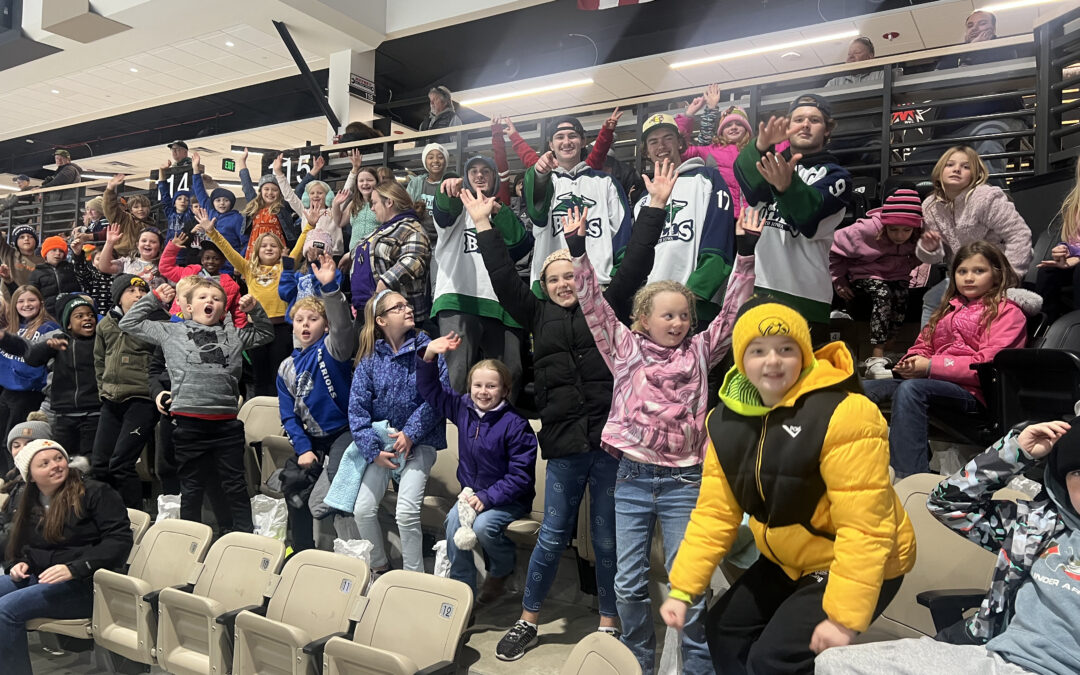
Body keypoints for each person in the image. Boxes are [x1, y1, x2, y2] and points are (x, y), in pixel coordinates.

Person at [473, 161, 673, 662]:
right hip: (564, 446)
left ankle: (608, 624)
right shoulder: (534, 312)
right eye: (555, 278)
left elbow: (638, 264)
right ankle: (528, 620)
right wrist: (482, 225)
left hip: (610, 445)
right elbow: (501, 276)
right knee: (553, 535)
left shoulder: (605, 306)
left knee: (606, 539)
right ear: (544, 285)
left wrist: (655, 207)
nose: (564, 283)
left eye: (570, 275)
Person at [660, 297, 916, 675]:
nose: (773, 361)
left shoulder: (846, 412)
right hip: (789, 557)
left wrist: (843, 618)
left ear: (805, 355)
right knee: (723, 630)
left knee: (774, 660)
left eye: (786, 349)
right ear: (741, 360)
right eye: (758, 351)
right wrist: (683, 589)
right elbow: (714, 515)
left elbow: (865, 528)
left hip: (857, 559)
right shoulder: (724, 422)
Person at [572, 204, 761, 674]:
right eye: (667, 316)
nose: (677, 323)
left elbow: (734, 308)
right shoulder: (625, 347)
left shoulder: (700, 350)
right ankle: (640, 660)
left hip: (684, 483)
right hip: (633, 478)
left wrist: (745, 254)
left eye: (683, 316)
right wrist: (578, 251)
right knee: (627, 582)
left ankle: (697, 668)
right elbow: (593, 304)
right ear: (643, 320)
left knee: (688, 582)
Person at [815, 419, 1080, 675]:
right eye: (1077, 472)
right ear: (1061, 481)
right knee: (834, 664)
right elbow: (948, 503)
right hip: (993, 657)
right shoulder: (1036, 526)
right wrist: (1015, 451)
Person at [119, 277, 273, 532]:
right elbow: (129, 322)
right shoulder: (171, 330)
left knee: (235, 485)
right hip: (189, 425)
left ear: (224, 308)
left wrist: (255, 308)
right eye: (202, 297)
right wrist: (155, 298)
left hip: (226, 426)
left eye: (216, 299)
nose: (209, 301)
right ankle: (190, 540)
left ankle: (244, 537)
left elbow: (265, 333)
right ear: (188, 307)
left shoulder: (233, 334)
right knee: (192, 487)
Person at [863, 241, 1030, 478]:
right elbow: (923, 345)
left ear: (997, 273)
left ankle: (908, 478)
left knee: (912, 391)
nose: (968, 278)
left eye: (978, 271)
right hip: (933, 383)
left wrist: (931, 366)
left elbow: (989, 364)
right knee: (858, 388)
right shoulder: (947, 310)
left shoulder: (1007, 312)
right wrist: (911, 362)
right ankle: (857, 465)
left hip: (975, 394)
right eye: (962, 272)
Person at [417, 336, 537, 603]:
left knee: (483, 526)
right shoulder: (463, 408)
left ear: (505, 390)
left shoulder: (516, 425)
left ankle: (502, 569)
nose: (483, 392)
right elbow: (430, 390)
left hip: (508, 499)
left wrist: (487, 497)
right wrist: (428, 357)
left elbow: (520, 476)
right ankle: (463, 593)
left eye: (491, 386)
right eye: (478, 385)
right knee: (452, 526)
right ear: (469, 387)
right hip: (471, 494)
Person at [0, 438, 131, 675]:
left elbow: (119, 540)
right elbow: (22, 544)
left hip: (88, 584)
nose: (56, 465)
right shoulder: (27, 499)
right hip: (42, 577)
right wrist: (17, 563)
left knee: (5, 610)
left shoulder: (95, 492)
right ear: (30, 475)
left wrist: (76, 567)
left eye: (59, 458)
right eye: (45, 463)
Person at [734, 93, 852, 340]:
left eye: (814, 120)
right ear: (788, 126)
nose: (805, 124)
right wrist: (759, 147)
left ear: (827, 130)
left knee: (803, 376)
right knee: (748, 374)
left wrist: (786, 187)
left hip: (804, 294)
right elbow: (752, 188)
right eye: (798, 119)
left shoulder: (837, 176)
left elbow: (808, 219)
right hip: (756, 287)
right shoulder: (773, 160)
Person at [348, 290, 448, 574]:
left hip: (421, 442)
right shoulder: (368, 359)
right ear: (381, 320)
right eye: (398, 307)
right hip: (383, 447)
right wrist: (373, 450)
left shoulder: (427, 348)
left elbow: (438, 395)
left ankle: (413, 576)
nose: (407, 309)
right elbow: (357, 411)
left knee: (406, 513)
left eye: (407, 304)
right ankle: (379, 566)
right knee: (363, 510)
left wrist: (411, 433)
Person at [433, 159, 532, 398]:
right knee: (455, 374)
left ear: (495, 178)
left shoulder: (502, 211)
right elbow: (444, 209)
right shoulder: (457, 208)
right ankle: (451, 431)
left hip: (501, 304)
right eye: (473, 171)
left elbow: (520, 245)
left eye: (485, 171)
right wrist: (446, 187)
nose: (479, 176)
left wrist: (497, 211)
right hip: (459, 299)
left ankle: (502, 431)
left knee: (510, 373)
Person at [277, 255, 355, 553]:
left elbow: (343, 326)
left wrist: (330, 288)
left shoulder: (333, 349)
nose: (306, 324)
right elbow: (288, 415)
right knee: (294, 484)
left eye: (313, 319)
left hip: (342, 432)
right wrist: (304, 448)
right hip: (312, 438)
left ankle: (352, 553)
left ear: (324, 326)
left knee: (338, 487)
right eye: (300, 320)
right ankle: (300, 551)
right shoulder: (285, 367)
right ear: (293, 326)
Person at [636, 114, 737, 324]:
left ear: (680, 143)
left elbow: (719, 242)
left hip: (698, 305)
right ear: (646, 151)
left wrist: (696, 292)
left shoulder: (707, 179)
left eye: (668, 138)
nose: (661, 146)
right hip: (654, 307)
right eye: (653, 141)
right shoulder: (643, 198)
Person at [915, 146, 1032, 324]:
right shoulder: (930, 206)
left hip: (996, 271)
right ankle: (924, 349)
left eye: (965, 167)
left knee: (980, 307)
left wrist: (1008, 278)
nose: (956, 169)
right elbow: (935, 257)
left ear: (976, 175)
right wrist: (928, 248)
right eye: (950, 165)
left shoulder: (986, 198)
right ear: (939, 172)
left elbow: (1019, 235)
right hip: (964, 275)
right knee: (933, 299)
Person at [199, 205, 303, 397]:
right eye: (264, 246)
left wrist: (309, 226)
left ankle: (279, 413)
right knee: (259, 376)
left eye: (273, 245)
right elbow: (228, 251)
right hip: (256, 329)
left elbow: (299, 248)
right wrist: (212, 232)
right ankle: (258, 412)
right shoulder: (248, 268)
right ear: (256, 251)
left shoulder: (286, 266)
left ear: (281, 251)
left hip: (282, 329)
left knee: (279, 374)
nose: (269, 248)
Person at [523, 116, 632, 294]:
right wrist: (539, 174)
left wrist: (616, 275)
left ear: (583, 141)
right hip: (552, 288)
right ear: (551, 144)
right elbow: (537, 216)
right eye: (559, 137)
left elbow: (622, 235)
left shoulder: (606, 182)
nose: (566, 141)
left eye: (572, 136)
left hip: (598, 284)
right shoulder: (543, 181)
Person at [830, 189, 925, 378]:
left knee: (902, 296)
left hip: (897, 276)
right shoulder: (863, 230)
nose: (900, 235)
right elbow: (833, 249)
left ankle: (890, 343)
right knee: (883, 295)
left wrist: (907, 264)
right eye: (893, 229)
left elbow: (919, 257)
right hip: (864, 274)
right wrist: (839, 280)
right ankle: (876, 356)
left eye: (906, 230)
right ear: (885, 225)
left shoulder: (919, 234)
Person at [93, 275, 168, 508]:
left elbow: (163, 364)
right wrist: (102, 391)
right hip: (111, 400)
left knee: (121, 463)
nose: (137, 295)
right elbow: (99, 361)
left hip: (142, 400)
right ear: (118, 296)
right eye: (131, 291)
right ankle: (105, 514)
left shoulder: (157, 321)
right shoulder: (105, 324)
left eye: (142, 291)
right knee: (98, 465)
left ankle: (134, 517)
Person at [0, 294, 99, 458]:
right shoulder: (55, 338)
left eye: (90, 315)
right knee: (58, 454)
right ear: (68, 323)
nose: (86, 319)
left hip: (95, 412)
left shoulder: (102, 340)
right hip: (62, 412)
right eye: (79, 316)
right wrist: (46, 347)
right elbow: (30, 354)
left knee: (89, 459)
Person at [932, 10, 1026, 180]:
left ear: (993, 28)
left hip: (999, 119)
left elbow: (1000, 77)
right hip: (954, 128)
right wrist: (970, 50)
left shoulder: (1004, 47)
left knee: (988, 136)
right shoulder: (953, 54)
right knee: (921, 155)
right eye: (970, 25)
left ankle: (991, 201)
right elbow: (937, 81)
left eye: (982, 23)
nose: (975, 28)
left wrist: (972, 53)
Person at [346, 181, 432, 327]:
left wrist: (384, 283)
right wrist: (349, 255)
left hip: (394, 318)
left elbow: (413, 260)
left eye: (374, 203)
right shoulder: (381, 229)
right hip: (366, 312)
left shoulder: (411, 227)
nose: (372, 208)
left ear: (389, 202)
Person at [677, 85, 752, 218]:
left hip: (751, 216)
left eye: (739, 124)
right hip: (719, 215)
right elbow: (680, 151)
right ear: (721, 130)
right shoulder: (711, 151)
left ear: (747, 129)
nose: (733, 127)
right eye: (728, 125)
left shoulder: (754, 150)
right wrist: (688, 115)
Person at [0, 287, 58, 455]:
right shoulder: (12, 326)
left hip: (29, 395)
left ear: (41, 303)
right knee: (2, 440)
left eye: (31, 300)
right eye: (21, 301)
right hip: (7, 392)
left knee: (15, 443)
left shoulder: (50, 328)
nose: (26, 304)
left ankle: (19, 479)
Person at [0, 413, 51, 555]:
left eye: (29, 444)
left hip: (29, 556)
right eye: (16, 445)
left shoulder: (48, 483)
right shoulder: (15, 479)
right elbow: (6, 517)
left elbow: (22, 529)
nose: (22, 450)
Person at [1036, 161, 1080, 321]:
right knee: (1046, 272)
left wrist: (1076, 255)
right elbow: (1073, 240)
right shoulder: (1075, 204)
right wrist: (1063, 249)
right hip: (1076, 260)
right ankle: (1045, 328)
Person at [273, 153, 341, 255]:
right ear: (307, 197)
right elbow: (289, 196)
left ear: (328, 196)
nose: (316, 196)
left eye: (320, 193)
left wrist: (353, 172)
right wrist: (278, 173)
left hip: (333, 256)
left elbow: (346, 192)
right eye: (312, 193)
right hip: (309, 256)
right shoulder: (304, 211)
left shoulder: (333, 211)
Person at [98, 173, 158, 259]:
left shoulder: (152, 226)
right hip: (120, 257)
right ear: (131, 210)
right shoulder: (123, 218)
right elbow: (109, 207)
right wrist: (110, 189)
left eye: (144, 206)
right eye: (136, 207)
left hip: (141, 259)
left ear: (149, 208)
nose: (140, 209)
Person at [406, 143, 451, 246]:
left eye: (440, 157)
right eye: (430, 157)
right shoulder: (415, 184)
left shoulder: (450, 184)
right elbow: (406, 209)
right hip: (419, 240)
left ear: (446, 161)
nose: (435, 161)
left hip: (445, 242)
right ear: (425, 162)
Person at [336, 151, 381, 251]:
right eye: (361, 181)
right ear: (357, 184)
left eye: (369, 180)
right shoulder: (354, 203)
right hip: (354, 255)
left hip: (375, 254)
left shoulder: (383, 203)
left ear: (377, 182)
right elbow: (339, 222)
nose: (365, 183)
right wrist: (336, 204)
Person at [28, 235, 80, 317]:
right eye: (53, 250)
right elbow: (32, 294)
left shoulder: (70, 268)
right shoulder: (37, 272)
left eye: (61, 251)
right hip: (47, 313)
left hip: (70, 310)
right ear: (45, 253)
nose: (58, 253)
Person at [95, 224, 164, 285]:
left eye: (153, 242)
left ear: (160, 247)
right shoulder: (127, 262)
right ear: (137, 245)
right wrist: (109, 243)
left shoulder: (165, 266)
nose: (147, 244)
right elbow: (104, 267)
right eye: (144, 241)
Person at [0, 224, 42, 299]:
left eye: (30, 237)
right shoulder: (9, 254)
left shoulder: (43, 261)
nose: (26, 239)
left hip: (32, 301)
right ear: (16, 241)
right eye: (22, 237)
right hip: (8, 301)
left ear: (36, 241)